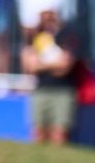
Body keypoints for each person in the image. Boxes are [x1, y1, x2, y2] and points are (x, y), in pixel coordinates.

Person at [21, 9, 80, 144]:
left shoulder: (67, 36)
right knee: (38, 133)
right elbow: (31, 66)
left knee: (59, 134)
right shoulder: (36, 38)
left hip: (63, 92)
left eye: (51, 17)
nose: (48, 21)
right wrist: (54, 63)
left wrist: (42, 63)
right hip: (41, 91)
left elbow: (64, 67)